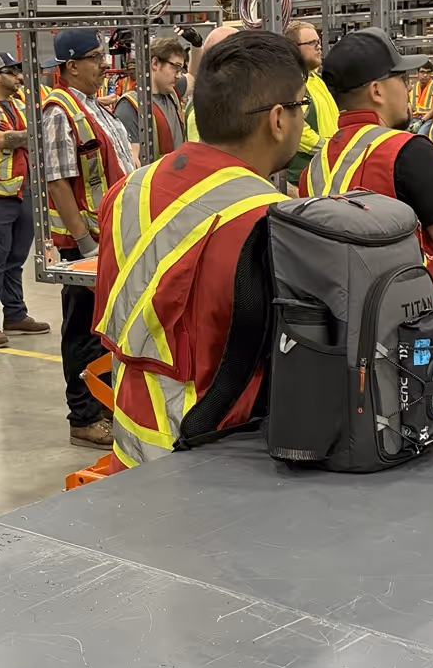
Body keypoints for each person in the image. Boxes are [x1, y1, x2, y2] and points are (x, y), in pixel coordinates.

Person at [94, 30, 302, 469]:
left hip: (130, 455)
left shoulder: (126, 191)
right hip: (213, 467)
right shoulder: (272, 223)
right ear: (278, 119)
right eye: (302, 106)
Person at [300, 28, 433, 323]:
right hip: (413, 332)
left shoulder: (315, 167)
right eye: (401, 79)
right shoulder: (408, 151)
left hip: (345, 331)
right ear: (377, 90)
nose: (406, 89)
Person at [43, 27, 136, 446]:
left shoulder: (96, 107)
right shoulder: (60, 111)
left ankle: (104, 406)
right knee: (82, 330)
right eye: (96, 58)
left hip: (111, 235)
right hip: (88, 242)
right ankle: (83, 416)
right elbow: (58, 182)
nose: (105, 65)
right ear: (72, 65)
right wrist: (84, 242)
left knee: (105, 329)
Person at [0, 52, 51, 347]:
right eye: (12, 71)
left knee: (15, 260)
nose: (18, 76)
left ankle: (14, 314)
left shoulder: (18, 105)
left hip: (23, 193)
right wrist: (34, 134)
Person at [282, 18, 339, 187]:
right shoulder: (292, 83)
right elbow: (296, 128)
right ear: (295, 49)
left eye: (319, 42)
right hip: (304, 175)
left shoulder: (316, 80)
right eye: (312, 43)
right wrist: (326, 148)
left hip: (326, 167)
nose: (319, 47)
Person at [113, 33, 188, 158]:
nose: (179, 75)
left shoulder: (172, 94)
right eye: (176, 67)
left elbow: (195, 78)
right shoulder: (129, 106)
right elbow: (133, 162)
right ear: (155, 63)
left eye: (181, 70)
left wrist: (198, 46)